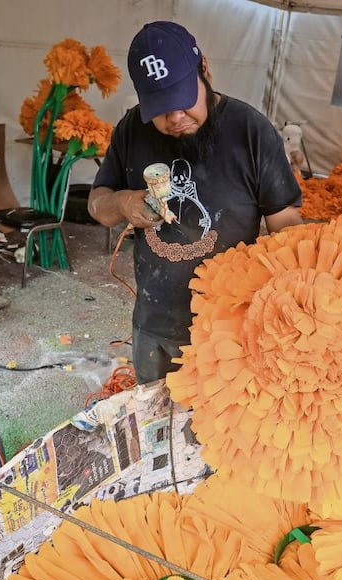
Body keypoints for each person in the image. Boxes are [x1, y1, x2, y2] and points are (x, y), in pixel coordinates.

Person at [88, 20, 303, 384]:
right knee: (155, 428)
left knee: (216, 434)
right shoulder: (131, 130)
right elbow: (97, 205)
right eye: (161, 107)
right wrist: (125, 203)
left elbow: (286, 223)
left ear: (204, 70)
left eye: (184, 100)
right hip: (153, 324)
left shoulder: (250, 131)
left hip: (230, 330)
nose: (175, 118)